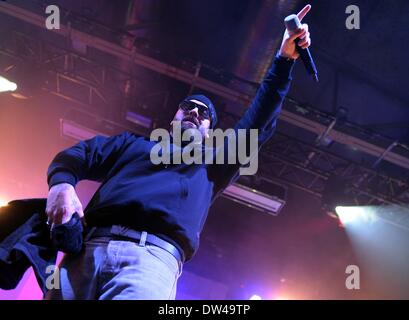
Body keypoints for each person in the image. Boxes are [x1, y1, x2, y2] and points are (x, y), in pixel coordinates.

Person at [44, 5, 312, 300]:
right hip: (85, 250)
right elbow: (80, 154)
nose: (195, 113)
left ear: (209, 131)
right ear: (173, 119)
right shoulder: (132, 145)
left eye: (204, 113)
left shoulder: (214, 164)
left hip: (150, 261)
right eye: (188, 107)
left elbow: (259, 119)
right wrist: (62, 184)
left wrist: (284, 60)